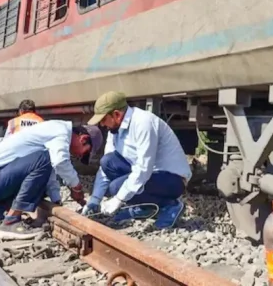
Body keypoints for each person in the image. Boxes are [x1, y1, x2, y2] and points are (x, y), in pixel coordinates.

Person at [0, 121, 101, 239]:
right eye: (84, 153)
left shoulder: (53, 132)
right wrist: (76, 187)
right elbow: (59, 162)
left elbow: (47, 174)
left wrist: (56, 201)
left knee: (41, 180)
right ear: (83, 139)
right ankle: (10, 221)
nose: (79, 156)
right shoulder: (61, 132)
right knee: (44, 160)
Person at [81, 91, 192, 229]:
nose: (102, 125)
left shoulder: (143, 123)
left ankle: (171, 206)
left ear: (116, 114)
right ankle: (146, 207)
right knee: (107, 162)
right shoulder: (114, 130)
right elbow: (105, 169)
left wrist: (119, 199)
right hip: (150, 176)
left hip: (171, 179)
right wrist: (94, 200)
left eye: (103, 119)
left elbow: (144, 168)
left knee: (116, 188)